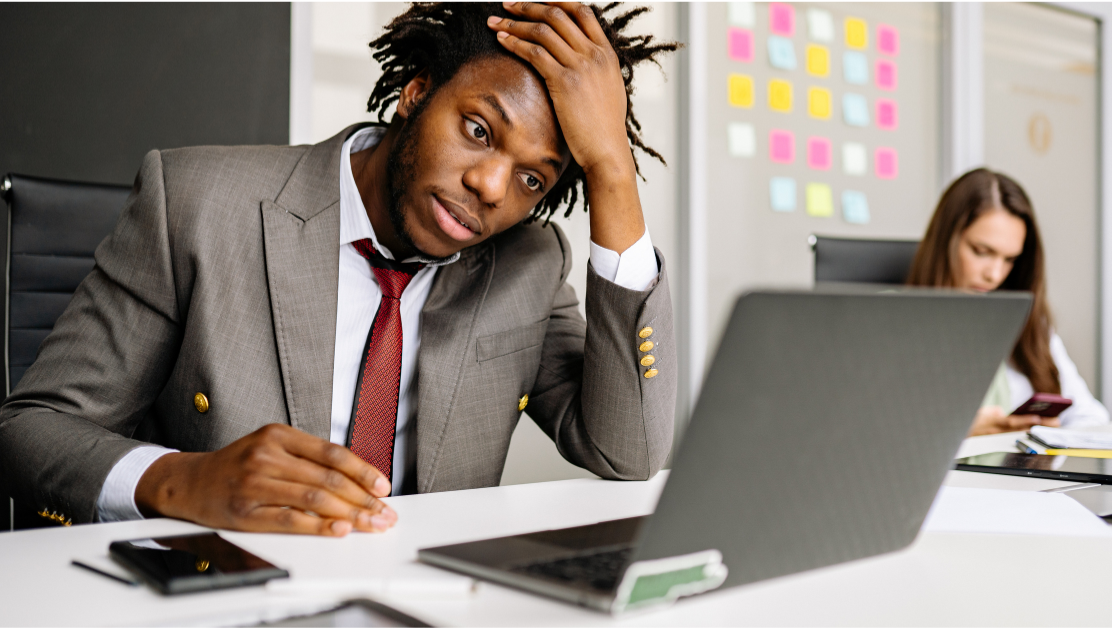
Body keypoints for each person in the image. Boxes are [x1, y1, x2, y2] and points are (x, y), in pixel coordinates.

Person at [0, 2, 680, 534]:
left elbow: (631, 452)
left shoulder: (525, 266)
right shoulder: (198, 204)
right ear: (416, 93)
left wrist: (613, 171)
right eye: (478, 130)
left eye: (534, 180)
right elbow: (31, 431)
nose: (494, 188)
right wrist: (184, 481)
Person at [907, 168, 1109, 436]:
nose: (994, 274)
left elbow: (1089, 416)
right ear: (946, 240)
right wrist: (957, 433)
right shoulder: (888, 322)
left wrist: (1051, 435)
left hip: (1025, 475)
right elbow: (863, 438)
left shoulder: (1026, 324)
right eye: (981, 252)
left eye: (1009, 259)